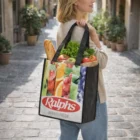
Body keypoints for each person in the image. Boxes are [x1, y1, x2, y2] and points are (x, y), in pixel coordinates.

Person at [56, 0, 108, 140]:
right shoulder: (82, 30)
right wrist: (94, 34)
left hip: (67, 94)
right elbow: (102, 61)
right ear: (75, 2)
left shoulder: (63, 26)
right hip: (89, 97)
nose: (93, 1)